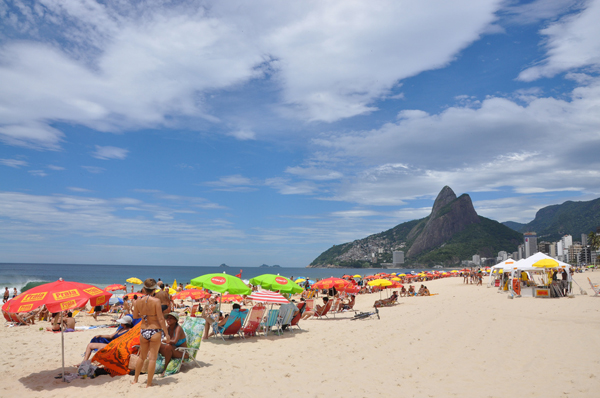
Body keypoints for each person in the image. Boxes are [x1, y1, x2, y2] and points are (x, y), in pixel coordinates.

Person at [132, 278, 170, 388]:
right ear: (154, 290)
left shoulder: (138, 301)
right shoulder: (156, 301)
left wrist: (144, 316)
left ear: (144, 289)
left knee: (141, 357)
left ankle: (135, 379)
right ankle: (149, 383)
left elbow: (135, 316)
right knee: (152, 358)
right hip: (155, 330)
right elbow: (161, 319)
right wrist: (166, 334)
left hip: (144, 330)